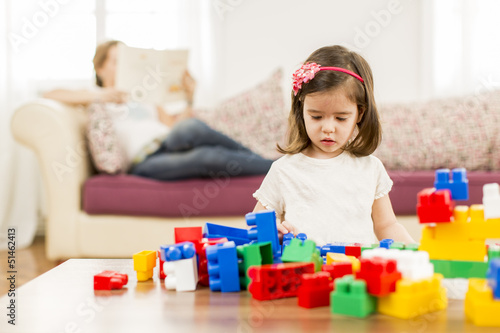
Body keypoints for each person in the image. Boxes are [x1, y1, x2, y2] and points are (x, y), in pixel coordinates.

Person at [252, 45, 415, 245]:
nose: (328, 128)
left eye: (340, 118)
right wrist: (272, 231)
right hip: (305, 271)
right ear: (301, 109)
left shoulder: (370, 168)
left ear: (359, 114)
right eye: (316, 116)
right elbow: (256, 226)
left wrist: (418, 254)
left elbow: (387, 226)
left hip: (357, 273)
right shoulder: (283, 170)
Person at [44, 40, 273, 181]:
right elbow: (49, 94)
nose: (122, 66)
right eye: (116, 61)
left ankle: (261, 157)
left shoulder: (144, 96)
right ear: (100, 67)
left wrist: (189, 96)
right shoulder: (94, 97)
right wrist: (100, 95)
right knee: (209, 156)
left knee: (189, 127)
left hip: (166, 144)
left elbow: (173, 127)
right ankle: (274, 166)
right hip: (143, 162)